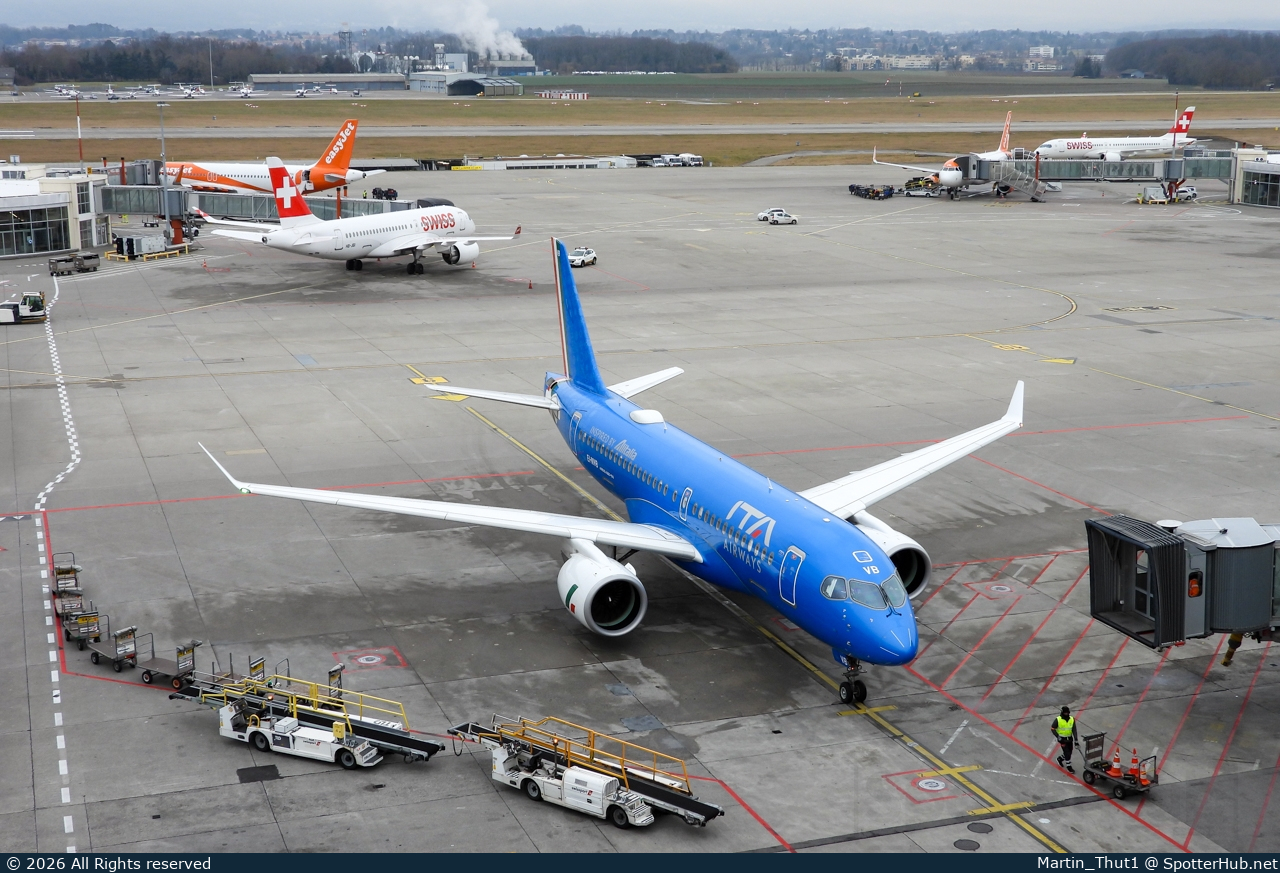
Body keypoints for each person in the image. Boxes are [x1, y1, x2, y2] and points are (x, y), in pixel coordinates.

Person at [1052, 705, 1078, 772]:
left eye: (1067, 713)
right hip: (1062, 739)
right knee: (1067, 753)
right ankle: (1069, 766)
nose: (1066, 714)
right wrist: (1058, 736)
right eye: (1065, 713)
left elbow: (1074, 730)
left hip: (1069, 738)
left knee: (1070, 751)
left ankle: (1060, 759)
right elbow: (1053, 728)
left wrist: (1076, 740)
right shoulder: (1058, 719)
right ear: (1062, 712)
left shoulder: (1072, 719)